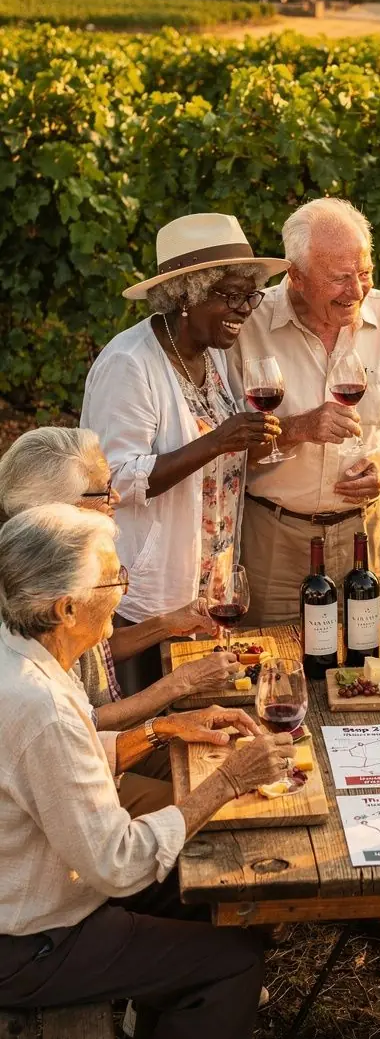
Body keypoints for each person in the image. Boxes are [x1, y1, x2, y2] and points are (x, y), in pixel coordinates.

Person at [0, 504, 293, 1039]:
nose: (123, 591)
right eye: (113, 581)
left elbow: (57, 765)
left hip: (37, 896)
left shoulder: (21, 657)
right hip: (29, 939)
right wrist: (224, 784)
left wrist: (167, 726)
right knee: (229, 959)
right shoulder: (37, 703)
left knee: (215, 896)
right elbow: (118, 864)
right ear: (66, 607)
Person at [81, 213, 288, 689]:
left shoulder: (213, 354)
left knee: (202, 707)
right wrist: (218, 441)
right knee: (152, 709)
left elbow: (220, 465)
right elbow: (114, 480)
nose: (244, 309)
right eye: (230, 296)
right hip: (148, 587)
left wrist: (254, 445)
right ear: (184, 296)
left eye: (250, 295)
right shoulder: (129, 364)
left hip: (211, 575)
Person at [229, 197, 380, 623]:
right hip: (275, 540)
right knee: (275, 661)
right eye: (339, 278)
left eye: (364, 273)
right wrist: (296, 429)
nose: (357, 291)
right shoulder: (248, 327)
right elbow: (221, 443)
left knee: (376, 658)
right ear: (296, 276)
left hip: (370, 532)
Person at [0, 427, 242, 737]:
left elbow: (94, 652)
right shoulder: (34, 587)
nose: (116, 497)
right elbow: (82, 724)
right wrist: (182, 682)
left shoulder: (54, 556)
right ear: (59, 505)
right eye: (104, 489)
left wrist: (167, 624)